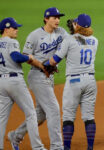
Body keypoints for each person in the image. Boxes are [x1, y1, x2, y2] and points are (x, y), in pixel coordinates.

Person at [7, 7, 68, 150]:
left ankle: (15, 136)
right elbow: (26, 56)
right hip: (37, 76)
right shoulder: (34, 35)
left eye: (59, 17)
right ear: (46, 19)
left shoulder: (62, 32)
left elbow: (69, 45)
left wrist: (77, 31)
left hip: (48, 77)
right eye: (54, 17)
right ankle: (57, 146)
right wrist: (43, 66)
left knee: (40, 115)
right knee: (53, 109)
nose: (57, 20)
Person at [44, 13, 98, 150]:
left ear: (77, 25)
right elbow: (83, 39)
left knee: (68, 117)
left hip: (74, 82)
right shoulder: (95, 40)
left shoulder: (69, 40)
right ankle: (90, 148)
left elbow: (54, 61)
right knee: (89, 117)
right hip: (91, 81)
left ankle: (67, 148)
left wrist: (43, 63)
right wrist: (76, 30)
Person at [0, 17, 47, 150]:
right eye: (14, 27)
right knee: (31, 113)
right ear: (6, 29)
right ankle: (37, 147)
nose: (17, 30)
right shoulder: (11, 42)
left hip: (1, 83)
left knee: (1, 118)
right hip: (14, 82)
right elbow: (16, 56)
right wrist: (29, 57)